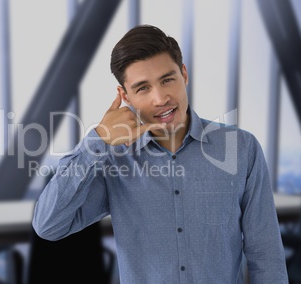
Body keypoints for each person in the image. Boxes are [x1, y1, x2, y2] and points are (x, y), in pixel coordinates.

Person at [32, 24, 288, 283]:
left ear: (184, 74)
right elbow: (49, 226)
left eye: (167, 80)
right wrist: (96, 141)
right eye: (143, 88)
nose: (160, 98)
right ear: (125, 96)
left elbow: (265, 253)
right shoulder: (114, 159)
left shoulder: (241, 148)